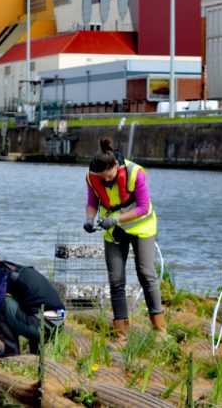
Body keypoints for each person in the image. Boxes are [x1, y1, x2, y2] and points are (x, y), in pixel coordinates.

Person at [83, 137, 165, 343]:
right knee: (116, 280)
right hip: (114, 232)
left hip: (141, 228)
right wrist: (89, 219)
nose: (106, 180)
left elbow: (144, 207)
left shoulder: (135, 173)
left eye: (109, 176)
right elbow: (92, 202)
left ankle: (160, 331)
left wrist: (116, 219)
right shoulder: (93, 177)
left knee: (146, 274)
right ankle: (121, 335)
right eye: (102, 178)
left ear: (116, 165)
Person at [0, 255, 65, 364]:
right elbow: (0, 325)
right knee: (8, 304)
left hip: (43, 326)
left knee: (0, 303)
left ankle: (12, 353)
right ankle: (32, 353)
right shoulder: (7, 269)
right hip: (56, 327)